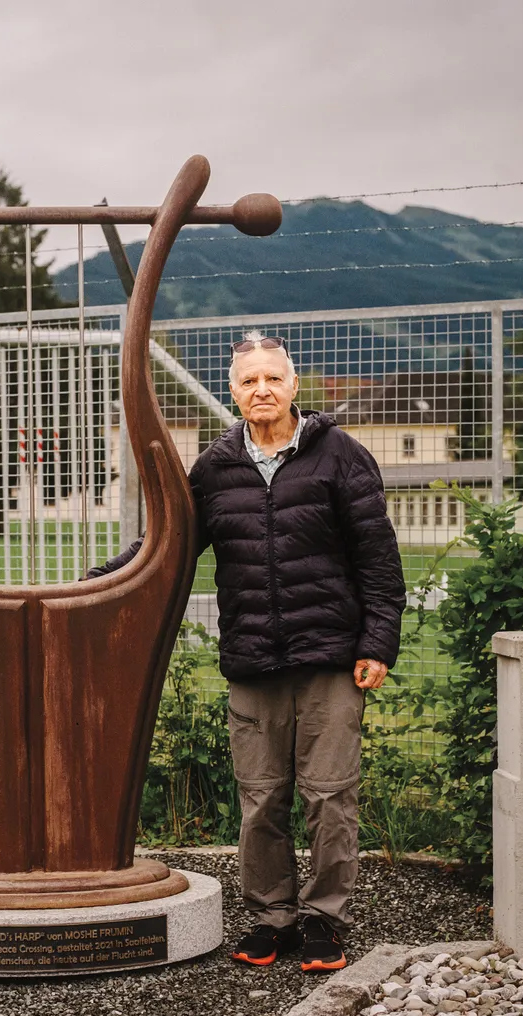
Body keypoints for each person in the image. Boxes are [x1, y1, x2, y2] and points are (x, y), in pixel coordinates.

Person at [86, 331, 406, 972]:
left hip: (329, 659)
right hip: (254, 661)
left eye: (272, 379)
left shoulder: (340, 456)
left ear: (293, 386)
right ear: (234, 393)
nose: (261, 390)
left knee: (328, 798)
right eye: (247, 382)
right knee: (261, 799)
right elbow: (166, 546)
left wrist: (377, 642)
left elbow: (378, 561)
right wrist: (103, 581)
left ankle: (325, 922)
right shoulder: (214, 468)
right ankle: (273, 919)